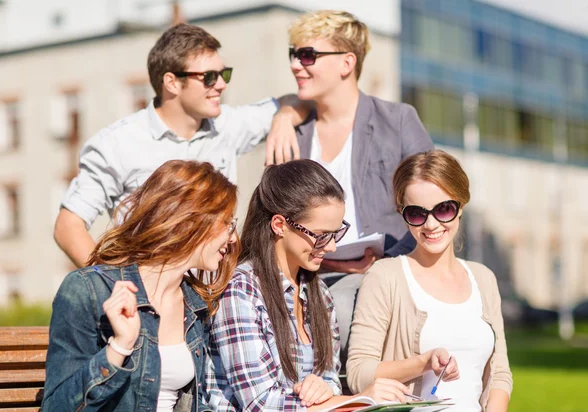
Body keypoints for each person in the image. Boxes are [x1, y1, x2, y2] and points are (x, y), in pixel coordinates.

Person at [55, 23, 308, 268]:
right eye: (209, 77)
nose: (221, 84)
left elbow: (301, 101)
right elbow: (68, 226)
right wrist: (110, 287)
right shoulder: (116, 144)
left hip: (216, 297)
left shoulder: (226, 125)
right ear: (172, 82)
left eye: (224, 73)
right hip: (152, 301)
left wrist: (284, 116)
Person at [205, 159, 410, 411]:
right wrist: (358, 401)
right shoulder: (241, 291)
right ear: (280, 225)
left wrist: (325, 389)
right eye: (321, 236)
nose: (332, 247)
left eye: (336, 233)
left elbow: (331, 380)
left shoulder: (319, 294)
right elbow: (259, 403)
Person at [285, 10, 434, 353]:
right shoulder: (292, 134)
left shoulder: (397, 121)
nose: (296, 64)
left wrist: (388, 265)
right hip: (306, 276)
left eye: (307, 55)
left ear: (346, 63)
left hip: (382, 275)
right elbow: (272, 219)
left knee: (342, 306)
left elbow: (435, 203)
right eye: (293, 54)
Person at [42, 160, 240, 411]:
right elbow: (56, 408)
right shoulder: (88, 290)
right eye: (227, 223)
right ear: (191, 220)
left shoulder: (195, 304)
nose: (233, 238)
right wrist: (120, 346)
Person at [347, 150, 513, 412]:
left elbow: (500, 373)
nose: (431, 224)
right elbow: (358, 372)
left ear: (461, 207)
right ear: (402, 213)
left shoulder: (484, 278)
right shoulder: (385, 276)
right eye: (416, 213)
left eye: (444, 209)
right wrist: (422, 363)